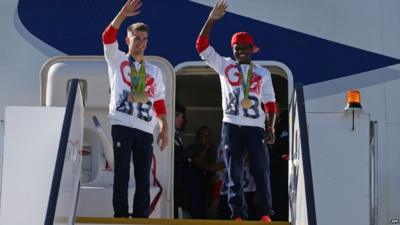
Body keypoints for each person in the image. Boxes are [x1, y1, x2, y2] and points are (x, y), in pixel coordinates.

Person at [195, 0, 277, 222]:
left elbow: (270, 103)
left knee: (261, 171)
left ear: (252, 49)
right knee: (235, 172)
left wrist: (270, 127)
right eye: (236, 49)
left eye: (244, 48)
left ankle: (264, 213)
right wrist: (211, 19)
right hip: (231, 125)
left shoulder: (262, 73)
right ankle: (237, 214)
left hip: (255, 127)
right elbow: (201, 46)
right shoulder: (225, 65)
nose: (240, 51)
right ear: (232, 50)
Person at [102, 0, 168, 218]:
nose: (140, 43)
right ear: (128, 39)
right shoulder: (117, 58)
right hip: (121, 122)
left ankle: (141, 216)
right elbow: (107, 37)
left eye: (144, 39)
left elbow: (159, 101)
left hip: (145, 127)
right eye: (136, 38)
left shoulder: (154, 70)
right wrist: (122, 14)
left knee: (143, 175)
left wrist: (164, 128)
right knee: (121, 172)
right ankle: (120, 215)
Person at [173, 103, 189, 218]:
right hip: (173, 185)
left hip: (180, 185)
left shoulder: (177, 136)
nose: (184, 120)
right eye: (182, 117)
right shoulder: (169, 136)